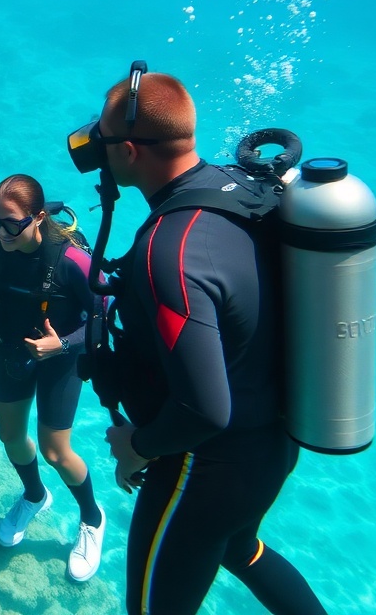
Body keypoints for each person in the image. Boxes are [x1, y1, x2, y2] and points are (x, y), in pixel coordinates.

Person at [76, 69, 325, 613]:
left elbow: (204, 411)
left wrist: (136, 446)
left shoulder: (170, 250)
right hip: (274, 444)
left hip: (203, 469)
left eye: (104, 137)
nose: (96, 146)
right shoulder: (240, 187)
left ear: (133, 152)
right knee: (240, 546)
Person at [0, 175, 106, 581]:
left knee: (56, 450)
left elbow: (108, 318)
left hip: (61, 358)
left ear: (37, 218)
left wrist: (64, 345)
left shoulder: (72, 260)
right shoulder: (1, 247)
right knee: (10, 436)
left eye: (12, 223)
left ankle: (92, 517)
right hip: (16, 353)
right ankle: (35, 496)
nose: (1, 232)